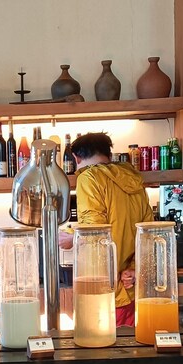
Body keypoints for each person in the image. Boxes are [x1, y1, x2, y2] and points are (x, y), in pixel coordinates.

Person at [59, 132, 153, 327]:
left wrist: (71, 238)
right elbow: (147, 232)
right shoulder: (134, 180)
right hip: (130, 287)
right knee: (129, 342)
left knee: (99, 342)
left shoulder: (89, 177)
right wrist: (133, 268)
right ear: (108, 155)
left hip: (103, 289)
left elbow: (94, 229)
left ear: (76, 158)